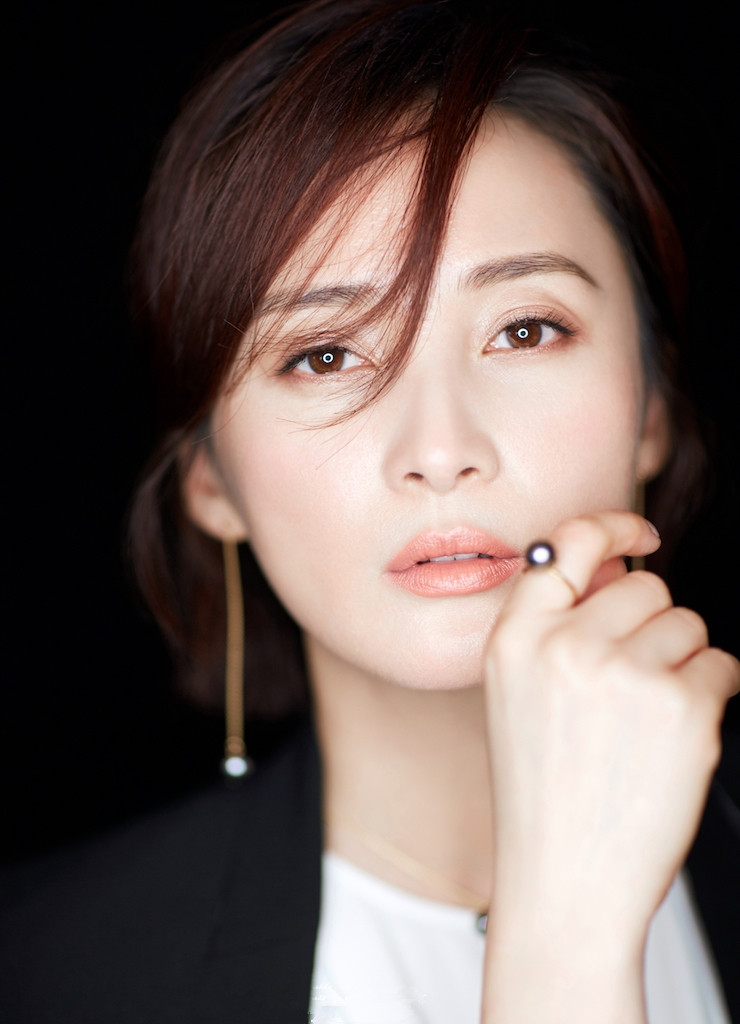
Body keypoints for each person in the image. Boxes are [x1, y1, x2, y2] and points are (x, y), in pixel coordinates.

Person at [1, 1, 738, 1022]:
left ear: (651, 409)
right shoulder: (44, 973)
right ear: (210, 479)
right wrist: (562, 947)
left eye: (525, 330)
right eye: (325, 355)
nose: (440, 450)